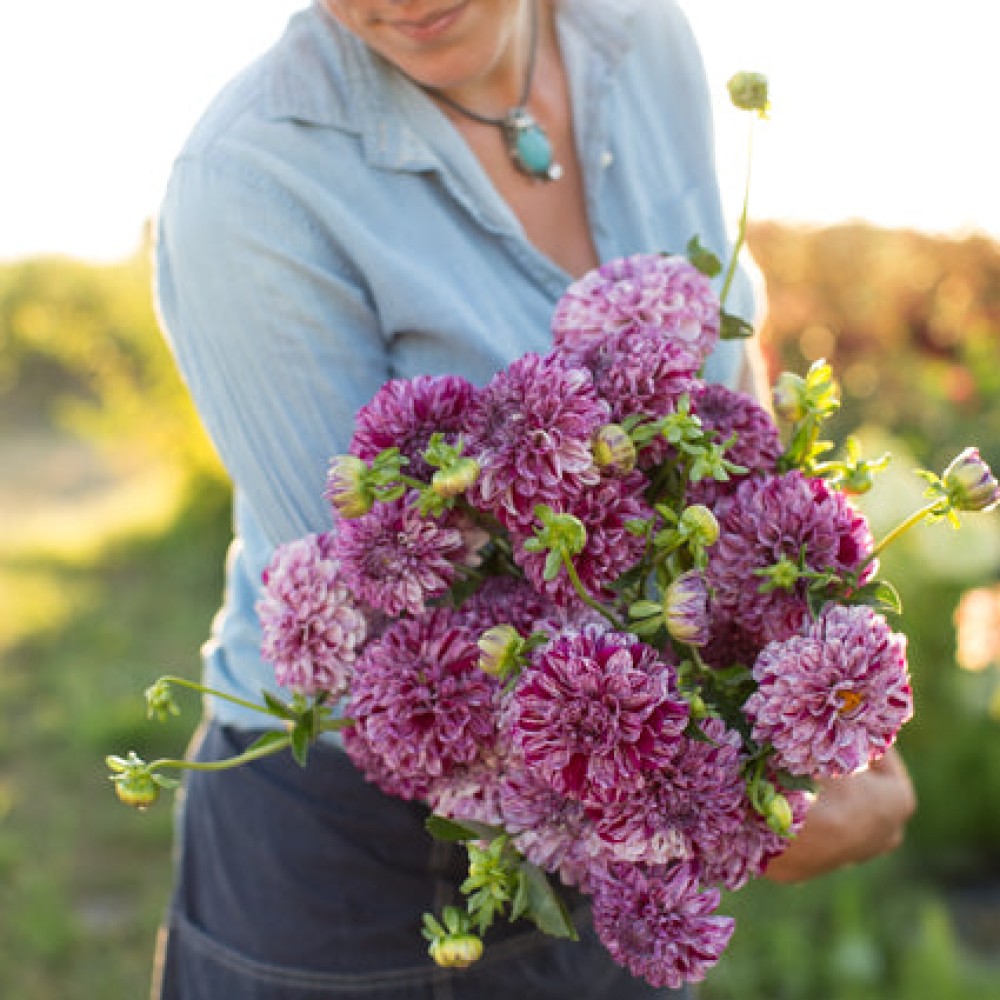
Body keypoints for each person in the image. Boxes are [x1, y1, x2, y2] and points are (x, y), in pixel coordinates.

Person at [150, 1, 916, 997]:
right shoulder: (248, 182)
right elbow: (387, 621)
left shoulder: (643, 38)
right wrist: (735, 806)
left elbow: (727, 390)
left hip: (629, 813)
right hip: (363, 872)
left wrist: (809, 665)